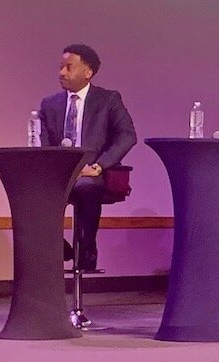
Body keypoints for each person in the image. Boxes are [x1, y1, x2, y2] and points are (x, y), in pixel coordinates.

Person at [39, 44, 137, 271]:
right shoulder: (49, 104)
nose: (61, 72)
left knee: (87, 187)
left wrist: (99, 165)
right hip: (58, 174)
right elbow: (43, 143)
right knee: (36, 191)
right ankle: (55, 245)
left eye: (68, 67)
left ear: (88, 72)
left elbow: (127, 135)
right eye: (61, 67)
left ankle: (87, 249)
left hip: (90, 171)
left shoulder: (108, 100)